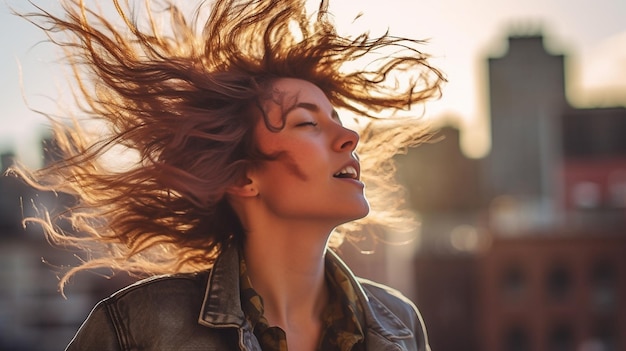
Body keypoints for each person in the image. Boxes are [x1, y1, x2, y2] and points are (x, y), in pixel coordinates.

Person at [14, 0, 445, 350]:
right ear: (242, 178)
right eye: (307, 123)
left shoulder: (400, 322)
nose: (349, 136)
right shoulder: (139, 327)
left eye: (338, 119)